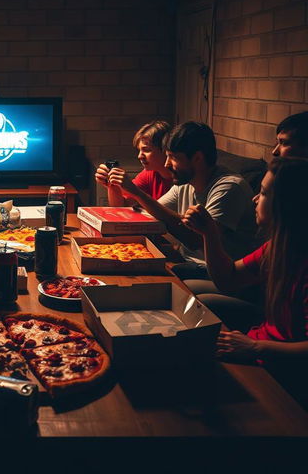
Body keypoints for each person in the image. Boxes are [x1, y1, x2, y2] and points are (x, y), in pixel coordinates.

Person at [182, 158, 308, 407]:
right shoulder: (277, 248)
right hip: (260, 344)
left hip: (280, 363)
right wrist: (210, 233)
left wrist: (256, 348)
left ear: (286, 204)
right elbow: (228, 279)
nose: (254, 199)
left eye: (262, 193)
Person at [97, 121, 258, 280]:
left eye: (172, 157)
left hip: (216, 272)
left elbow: (196, 240)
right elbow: (152, 213)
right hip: (187, 261)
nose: (167, 164)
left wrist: (137, 193)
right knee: (118, 262)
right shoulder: (185, 182)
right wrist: (115, 187)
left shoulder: (229, 187)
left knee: (143, 280)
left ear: (197, 158)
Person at [96, 120, 173, 206]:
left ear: (165, 150)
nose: (139, 156)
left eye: (146, 150)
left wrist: (130, 187)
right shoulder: (149, 174)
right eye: (139, 150)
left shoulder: (181, 179)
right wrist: (112, 185)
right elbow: (122, 206)